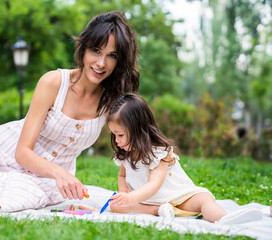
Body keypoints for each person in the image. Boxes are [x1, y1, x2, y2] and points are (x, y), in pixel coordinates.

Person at [0, 11, 139, 212]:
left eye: (112, 55)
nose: (101, 63)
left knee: (9, 201)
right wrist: (61, 174)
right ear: (83, 48)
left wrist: (143, 189)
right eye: (96, 50)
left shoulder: (113, 101)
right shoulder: (54, 82)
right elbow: (22, 152)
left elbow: (132, 147)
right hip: (3, 154)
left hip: (45, 180)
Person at [107, 93, 263, 223]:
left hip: (179, 198)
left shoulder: (158, 153)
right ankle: (158, 210)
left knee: (204, 199)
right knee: (115, 206)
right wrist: (124, 192)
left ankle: (225, 219)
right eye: (114, 135)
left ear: (138, 131)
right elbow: (122, 175)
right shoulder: (126, 154)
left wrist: (132, 197)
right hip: (148, 202)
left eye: (120, 135)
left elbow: (154, 184)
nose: (117, 140)